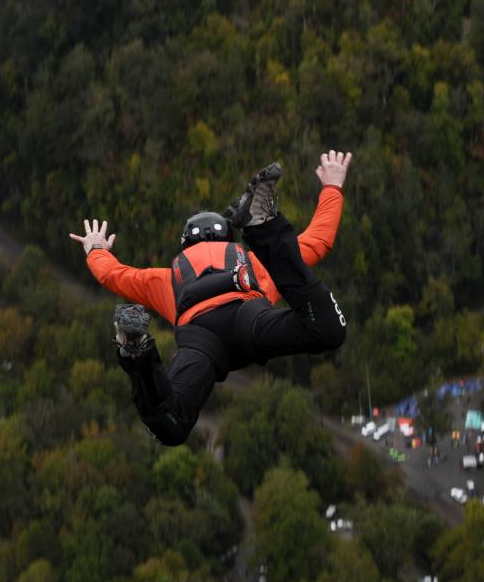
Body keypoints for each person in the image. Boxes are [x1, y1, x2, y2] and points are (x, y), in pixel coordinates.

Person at [69, 151, 352, 445]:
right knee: (328, 329)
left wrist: (96, 249)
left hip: (201, 341)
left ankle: (136, 353)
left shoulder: (165, 278)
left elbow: (113, 275)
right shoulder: (254, 264)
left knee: (171, 423)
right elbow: (319, 240)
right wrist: (332, 186)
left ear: (185, 245)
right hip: (250, 318)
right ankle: (264, 229)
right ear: (228, 240)